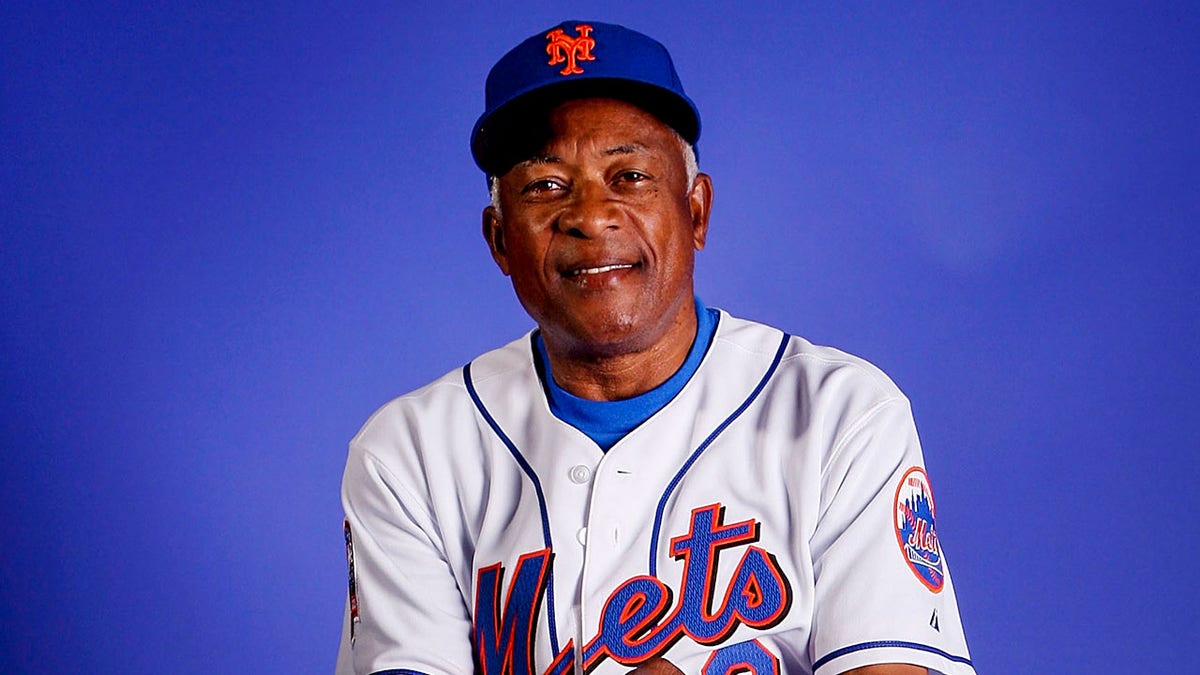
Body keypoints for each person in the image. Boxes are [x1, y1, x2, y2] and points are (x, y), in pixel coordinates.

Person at [336, 20, 974, 675]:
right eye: (546, 186)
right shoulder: (408, 453)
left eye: (630, 174)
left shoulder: (839, 413)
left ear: (696, 211)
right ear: (499, 239)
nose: (590, 213)